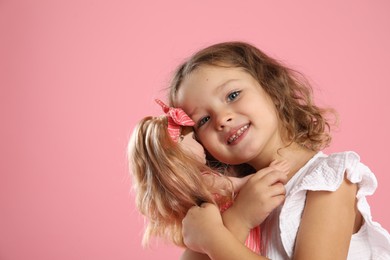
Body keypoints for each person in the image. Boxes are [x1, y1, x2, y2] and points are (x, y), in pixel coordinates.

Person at [168, 41, 390, 259]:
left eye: (233, 95)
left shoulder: (330, 182)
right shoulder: (233, 202)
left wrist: (214, 238)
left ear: (271, 88)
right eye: (204, 119)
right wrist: (238, 217)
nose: (222, 120)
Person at [127, 99, 288, 259]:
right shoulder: (204, 181)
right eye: (194, 140)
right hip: (232, 239)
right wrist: (266, 174)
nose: (202, 146)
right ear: (179, 152)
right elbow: (235, 184)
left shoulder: (191, 190)